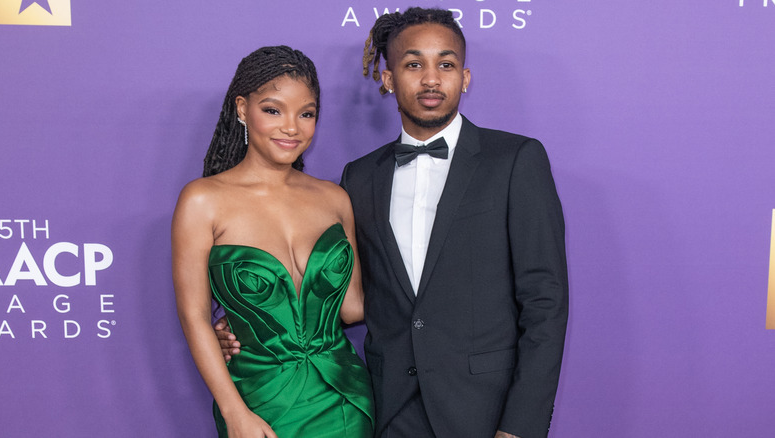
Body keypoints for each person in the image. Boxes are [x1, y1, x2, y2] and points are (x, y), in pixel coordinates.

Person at [219, 7, 568, 437]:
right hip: (387, 408)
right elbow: (348, 297)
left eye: (446, 64)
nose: (431, 78)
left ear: (465, 77)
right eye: (413, 64)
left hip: (485, 409)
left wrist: (520, 426)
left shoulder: (515, 160)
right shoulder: (359, 177)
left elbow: (545, 303)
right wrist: (248, 320)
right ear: (388, 79)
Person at [172, 46, 373, 438]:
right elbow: (194, 317)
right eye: (273, 110)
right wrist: (235, 414)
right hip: (258, 404)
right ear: (243, 109)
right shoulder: (201, 201)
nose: (292, 127)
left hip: (345, 399)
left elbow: (352, 309)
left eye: (307, 113)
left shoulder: (334, 199)